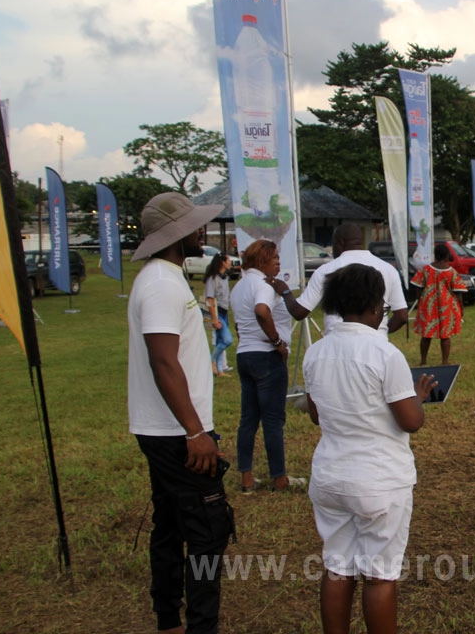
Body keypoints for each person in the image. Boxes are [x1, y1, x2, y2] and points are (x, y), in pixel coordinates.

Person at [302, 264, 437, 634]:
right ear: (376, 306)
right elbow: (411, 421)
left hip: (330, 478)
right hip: (379, 480)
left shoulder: (315, 352)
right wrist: (420, 396)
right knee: (379, 576)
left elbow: (317, 415)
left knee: (337, 567)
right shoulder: (384, 353)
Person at [127, 192, 232, 634]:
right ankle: (200, 625)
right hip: (176, 433)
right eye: (195, 225)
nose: (203, 232)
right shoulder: (160, 283)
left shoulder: (165, 277)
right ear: (178, 234)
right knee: (207, 534)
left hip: (170, 429)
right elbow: (163, 360)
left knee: (170, 526)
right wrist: (195, 432)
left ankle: (168, 619)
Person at [229, 239, 300, 493]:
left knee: (248, 419)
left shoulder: (238, 287)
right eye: (275, 258)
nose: (279, 262)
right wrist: (277, 341)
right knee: (272, 420)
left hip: (244, 355)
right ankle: (279, 478)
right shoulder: (264, 286)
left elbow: (239, 322)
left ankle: (246, 477)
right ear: (261, 261)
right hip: (267, 356)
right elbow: (261, 311)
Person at [281, 223, 407, 336]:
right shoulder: (388, 269)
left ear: (340, 243)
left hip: (336, 346)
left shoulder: (326, 270)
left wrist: (285, 291)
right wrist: (381, 331)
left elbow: (299, 312)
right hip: (376, 345)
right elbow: (401, 316)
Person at [411, 243, 467, 366]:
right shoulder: (452, 272)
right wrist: (461, 308)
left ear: (435, 255)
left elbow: (418, 288)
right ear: (447, 256)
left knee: (426, 334)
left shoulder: (425, 270)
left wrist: (420, 300)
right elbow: (459, 292)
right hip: (447, 307)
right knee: (445, 336)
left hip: (428, 306)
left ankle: (423, 360)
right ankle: (445, 361)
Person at [204, 253, 233, 377]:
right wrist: (214, 319)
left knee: (220, 341)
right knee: (227, 340)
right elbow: (209, 298)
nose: (230, 263)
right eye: (228, 261)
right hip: (216, 311)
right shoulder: (213, 278)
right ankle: (210, 360)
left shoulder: (225, 278)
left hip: (224, 310)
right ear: (222, 262)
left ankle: (220, 369)